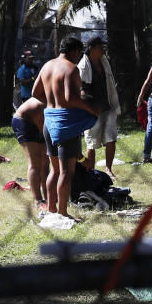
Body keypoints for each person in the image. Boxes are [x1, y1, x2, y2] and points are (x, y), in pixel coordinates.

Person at [32, 36, 99, 218]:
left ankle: (52, 208)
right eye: (80, 54)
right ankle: (62, 212)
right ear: (75, 51)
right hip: (65, 124)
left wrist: (52, 104)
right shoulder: (71, 68)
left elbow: (34, 93)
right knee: (66, 172)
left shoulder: (47, 66)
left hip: (49, 121)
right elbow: (71, 99)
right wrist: (91, 109)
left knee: (54, 170)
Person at [78, 36, 121, 178]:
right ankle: (90, 171)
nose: (103, 49)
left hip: (108, 107)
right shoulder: (83, 66)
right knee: (92, 141)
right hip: (91, 111)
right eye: (100, 47)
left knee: (111, 139)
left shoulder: (104, 62)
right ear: (91, 48)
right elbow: (81, 89)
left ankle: (108, 169)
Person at [11, 97, 48, 207]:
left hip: (41, 119)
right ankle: (38, 200)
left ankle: (48, 197)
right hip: (24, 121)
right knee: (35, 163)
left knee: (46, 163)